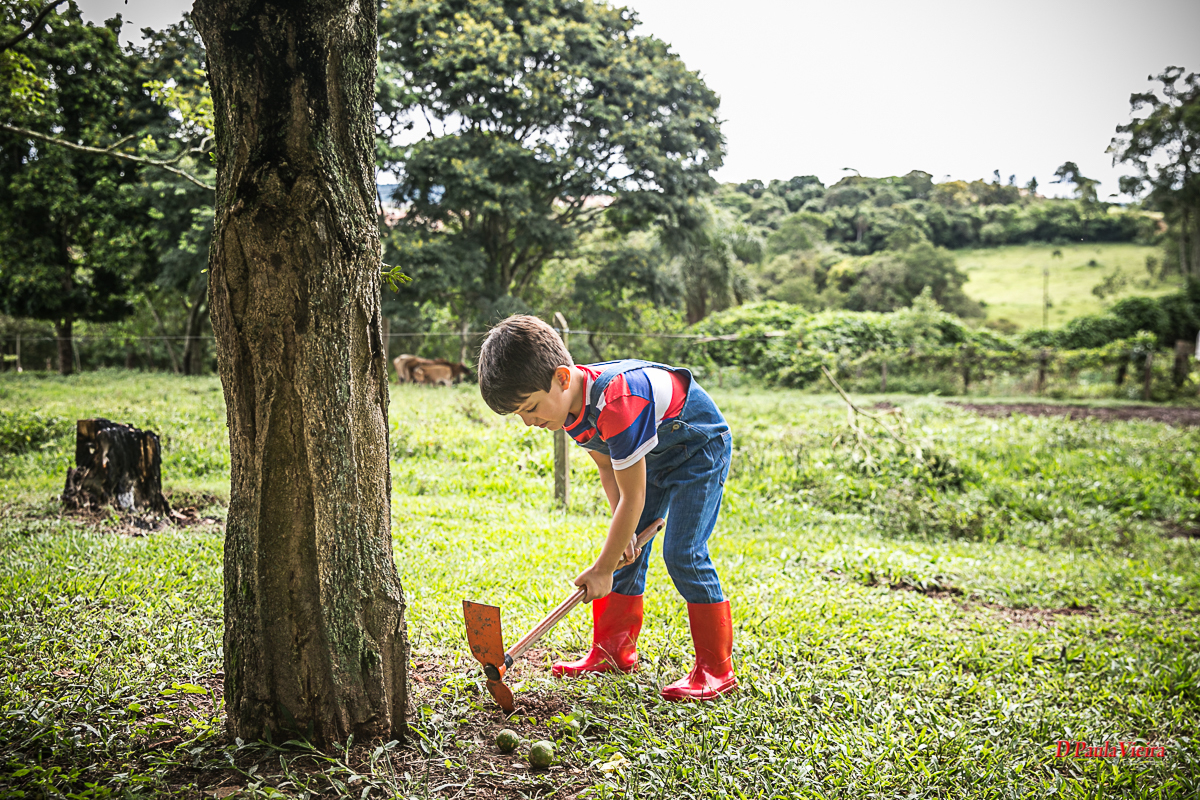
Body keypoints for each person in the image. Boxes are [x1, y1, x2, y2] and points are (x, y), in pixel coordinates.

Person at [476, 314, 736, 701]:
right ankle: (613, 651)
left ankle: (717, 670)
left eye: (530, 408)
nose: (529, 422)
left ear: (562, 378)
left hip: (697, 449)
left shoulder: (616, 402)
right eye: (520, 415)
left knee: (683, 552)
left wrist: (601, 569)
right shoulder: (568, 411)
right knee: (626, 553)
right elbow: (606, 466)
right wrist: (624, 537)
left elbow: (634, 497)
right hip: (650, 458)